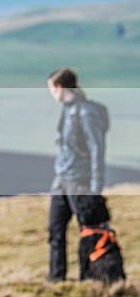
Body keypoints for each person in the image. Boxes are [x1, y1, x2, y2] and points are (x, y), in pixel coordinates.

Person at [46, 67, 109, 282]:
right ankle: (56, 279)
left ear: (60, 87)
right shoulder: (67, 109)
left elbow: (97, 149)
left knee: (90, 230)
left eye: (51, 89)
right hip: (61, 178)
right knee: (55, 230)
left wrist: (96, 186)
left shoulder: (86, 112)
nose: (51, 93)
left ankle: (92, 277)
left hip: (81, 181)